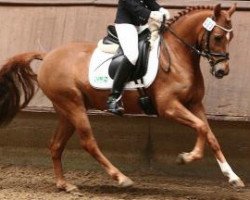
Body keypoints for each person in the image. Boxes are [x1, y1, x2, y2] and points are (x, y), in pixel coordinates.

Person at [107, 0, 170, 115]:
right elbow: (132, 5)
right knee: (132, 55)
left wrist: (160, 9)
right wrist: (150, 14)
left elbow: (149, 2)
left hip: (141, 25)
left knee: (156, 46)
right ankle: (113, 97)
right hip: (126, 25)